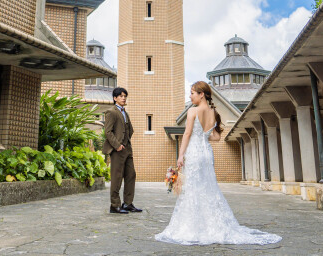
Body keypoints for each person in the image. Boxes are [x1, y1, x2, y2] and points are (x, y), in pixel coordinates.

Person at [155, 81, 282, 245]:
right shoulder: (213, 112)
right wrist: (203, 135)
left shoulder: (193, 111)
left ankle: (194, 226)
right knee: (208, 187)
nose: (190, 95)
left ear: (201, 94)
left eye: (192, 92)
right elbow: (215, 137)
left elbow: (186, 134)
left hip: (194, 153)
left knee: (193, 188)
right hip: (207, 153)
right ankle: (213, 224)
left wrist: (180, 155)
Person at [102, 87, 141, 214]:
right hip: (117, 150)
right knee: (117, 177)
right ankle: (115, 205)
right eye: (121, 96)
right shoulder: (111, 112)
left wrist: (127, 142)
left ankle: (128, 203)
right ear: (115, 98)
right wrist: (117, 145)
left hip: (127, 149)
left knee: (131, 175)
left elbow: (130, 129)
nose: (123, 98)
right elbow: (107, 132)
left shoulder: (125, 112)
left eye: (125, 96)